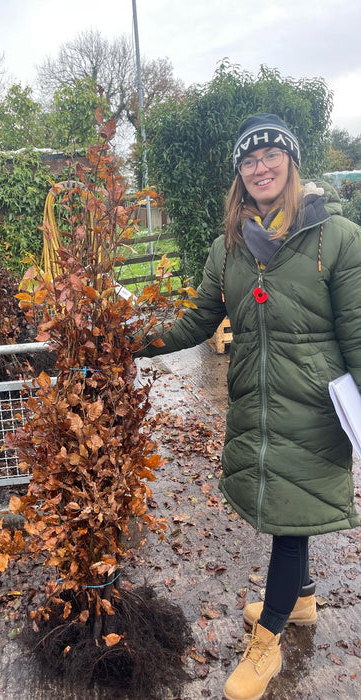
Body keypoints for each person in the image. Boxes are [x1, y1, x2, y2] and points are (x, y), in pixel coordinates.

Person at [135, 113, 361, 700]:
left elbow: (358, 331)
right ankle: (304, 600)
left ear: (291, 161)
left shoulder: (336, 237)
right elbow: (195, 322)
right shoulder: (228, 245)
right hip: (257, 404)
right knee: (286, 508)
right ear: (239, 173)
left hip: (314, 407)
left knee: (290, 517)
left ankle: (267, 643)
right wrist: (124, 343)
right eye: (248, 159)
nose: (260, 167)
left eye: (271, 155)